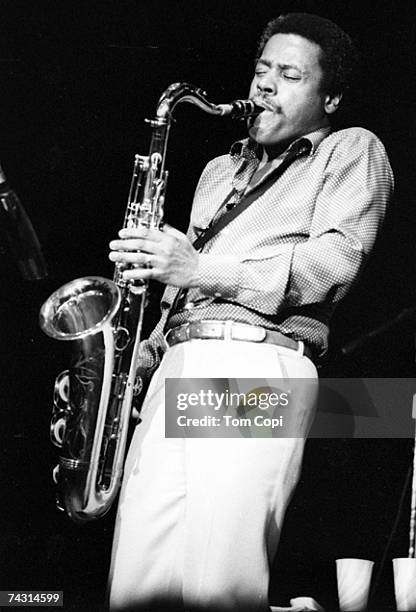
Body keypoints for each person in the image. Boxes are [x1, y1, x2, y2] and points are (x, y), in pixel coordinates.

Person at [106, 12, 393, 612]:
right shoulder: (218, 171)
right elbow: (181, 293)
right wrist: (137, 360)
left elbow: (337, 262)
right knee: (140, 579)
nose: (264, 84)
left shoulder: (349, 149)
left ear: (330, 96)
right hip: (179, 366)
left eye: (289, 74)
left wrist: (198, 269)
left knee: (218, 579)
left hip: (255, 364)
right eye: (262, 69)